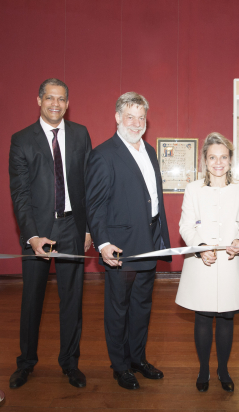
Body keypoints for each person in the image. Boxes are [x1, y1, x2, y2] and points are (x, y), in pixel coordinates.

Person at [8, 78, 92, 390]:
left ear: (67, 104)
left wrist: (88, 228)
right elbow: (20, 195)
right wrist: (31, 236)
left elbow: (89, 186)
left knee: (72, 300)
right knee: (32, 300)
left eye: (61, 99)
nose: (55, 104)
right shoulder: (21, 140)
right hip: (38, 233)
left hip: (73, 228)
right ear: (39, 100)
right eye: (49, 98)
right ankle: (26, 363)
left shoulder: (81, 135)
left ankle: (70, 363)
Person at [85, 92, 171, 390]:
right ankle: (120, 366)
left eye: (141, 117)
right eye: (130, 117)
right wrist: (103, 242)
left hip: (148, 241)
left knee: (142, 306)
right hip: (120, 247)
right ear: (118, 118)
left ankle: (137, 359)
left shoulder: (148, 151)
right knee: (118, 308)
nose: (136, 123)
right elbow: (94, 205)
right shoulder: (103, 154)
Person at [176, 132, 239, 393]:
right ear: (205, 160)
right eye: (212, 157)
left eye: (223, 157)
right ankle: (203, 370)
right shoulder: (193, 189)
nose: (218, 162)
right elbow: (186, 225)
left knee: (226, 317)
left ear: (230, 160)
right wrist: (200, 248)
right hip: (202, 263)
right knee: (203, 315)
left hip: (232, 263)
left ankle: (223, 369)